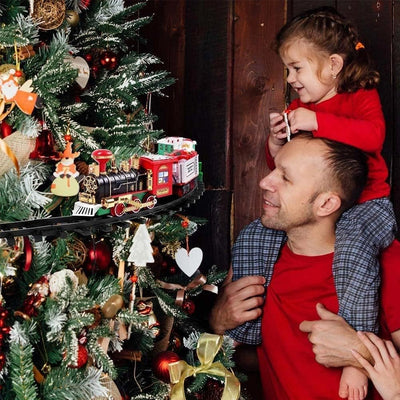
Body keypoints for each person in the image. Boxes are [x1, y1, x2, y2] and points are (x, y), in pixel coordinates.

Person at [229, 6, 396, 397]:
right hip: (326, 209)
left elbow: (372, 138)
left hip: (367, 207)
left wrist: (315, 122)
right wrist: (275, 145)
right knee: (255, 234)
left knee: (355, 252)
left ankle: (355, 352)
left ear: (333, 65)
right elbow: (293, 174)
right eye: (287, 70)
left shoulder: (358, 98)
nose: (289, 79)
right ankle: (243, 332)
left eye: (297, 69)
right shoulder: (298, 111)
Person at [211, 132, 372, 399]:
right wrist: (217, 322)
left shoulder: (384, 264)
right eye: (274, 169)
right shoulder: (258, 254)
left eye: (285, 178)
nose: (265, 181)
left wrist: (360, 351)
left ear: (326, 203)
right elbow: (255, 359)